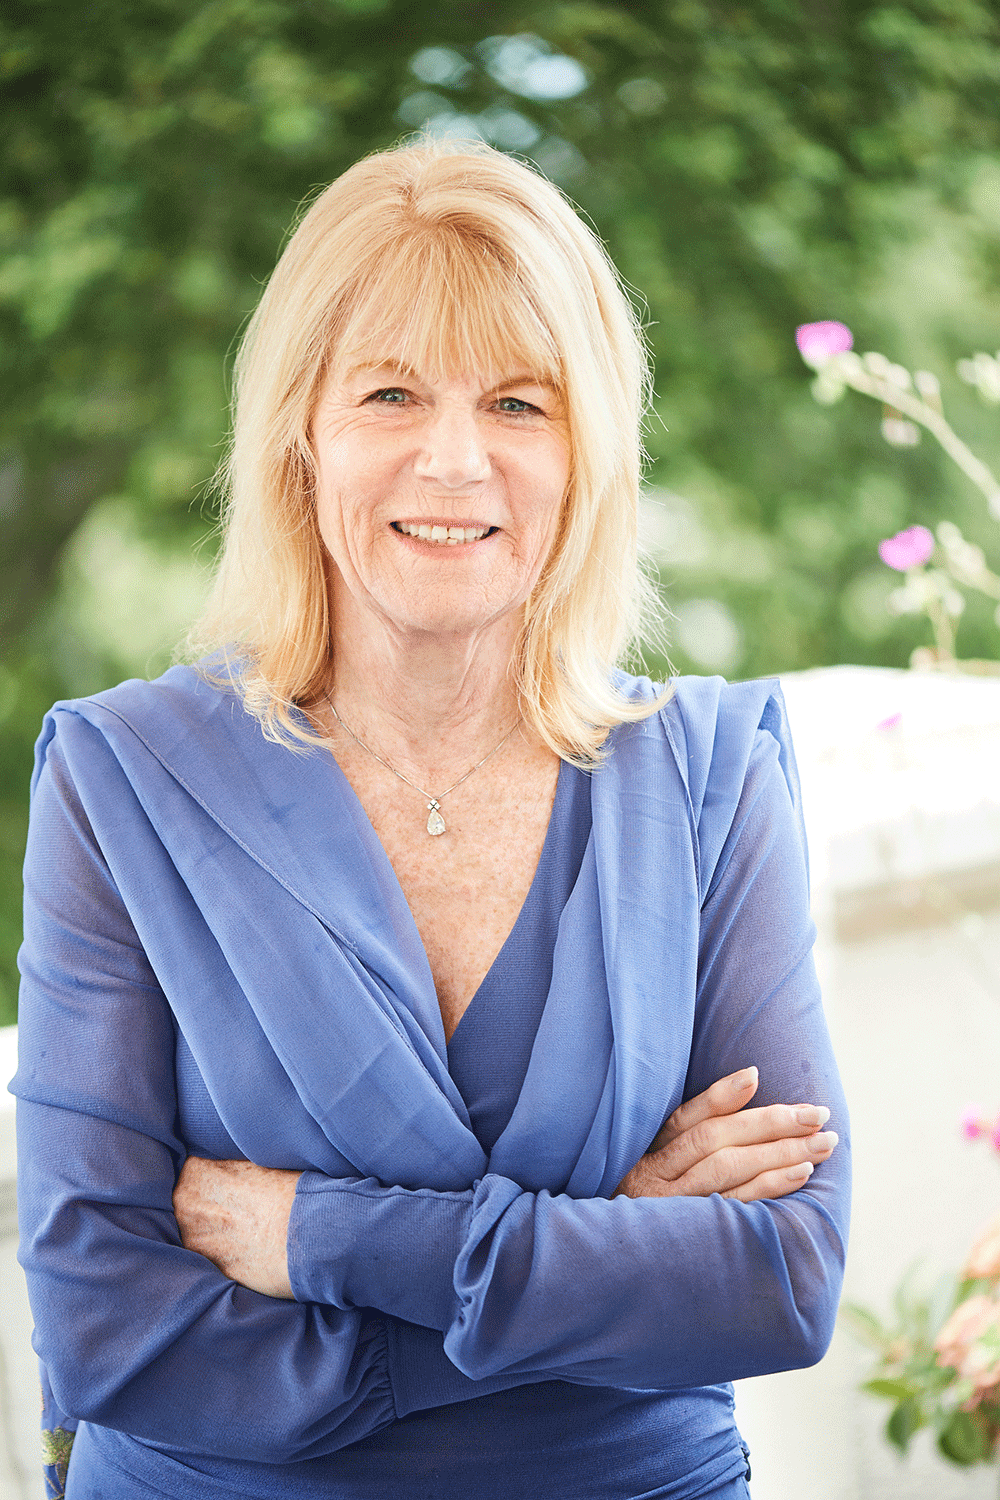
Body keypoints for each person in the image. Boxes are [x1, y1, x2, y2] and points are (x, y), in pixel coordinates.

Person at [13, 140, 848, 1500]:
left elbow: (781, 1283)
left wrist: (329, 1237)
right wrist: (606, 1248)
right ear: (305, 429)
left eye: (521, 404)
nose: (455, 461)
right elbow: (108, 1330)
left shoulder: (709, 770)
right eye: (391, 392)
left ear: (591, 452)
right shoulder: (121, 779)